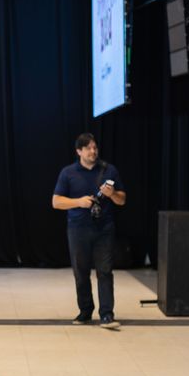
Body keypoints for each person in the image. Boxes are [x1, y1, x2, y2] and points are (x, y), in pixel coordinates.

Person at [52, 133, 126, 329]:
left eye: (95, 147)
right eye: (88, 148)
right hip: (78, 229)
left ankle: (107, 315)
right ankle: (85, 311)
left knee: (105, 271)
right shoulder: (68, 173)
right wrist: (78, 202)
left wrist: (112, 194)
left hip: (104, 229)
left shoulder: (109, 170)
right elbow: (56, 202)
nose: (93, 151)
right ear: (79, 151)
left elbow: (122, 200)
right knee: (81, 271)